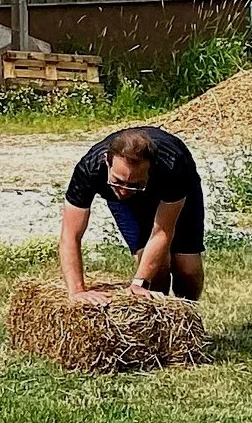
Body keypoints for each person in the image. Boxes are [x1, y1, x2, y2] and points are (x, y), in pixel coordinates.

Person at [59, 125, 204, 301]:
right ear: (107, 162)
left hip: (174, 191)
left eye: (133, 184)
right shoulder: (89, 169)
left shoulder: (173, 165)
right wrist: (77, 291)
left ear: (150, 168)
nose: (124, 190)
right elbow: (70, 234)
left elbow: (162, 232)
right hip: (125, 202)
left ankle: (188, 314)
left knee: (187, 268)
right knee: (157, 270)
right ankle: (157, 314)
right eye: (118, 181)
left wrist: (138, 282)